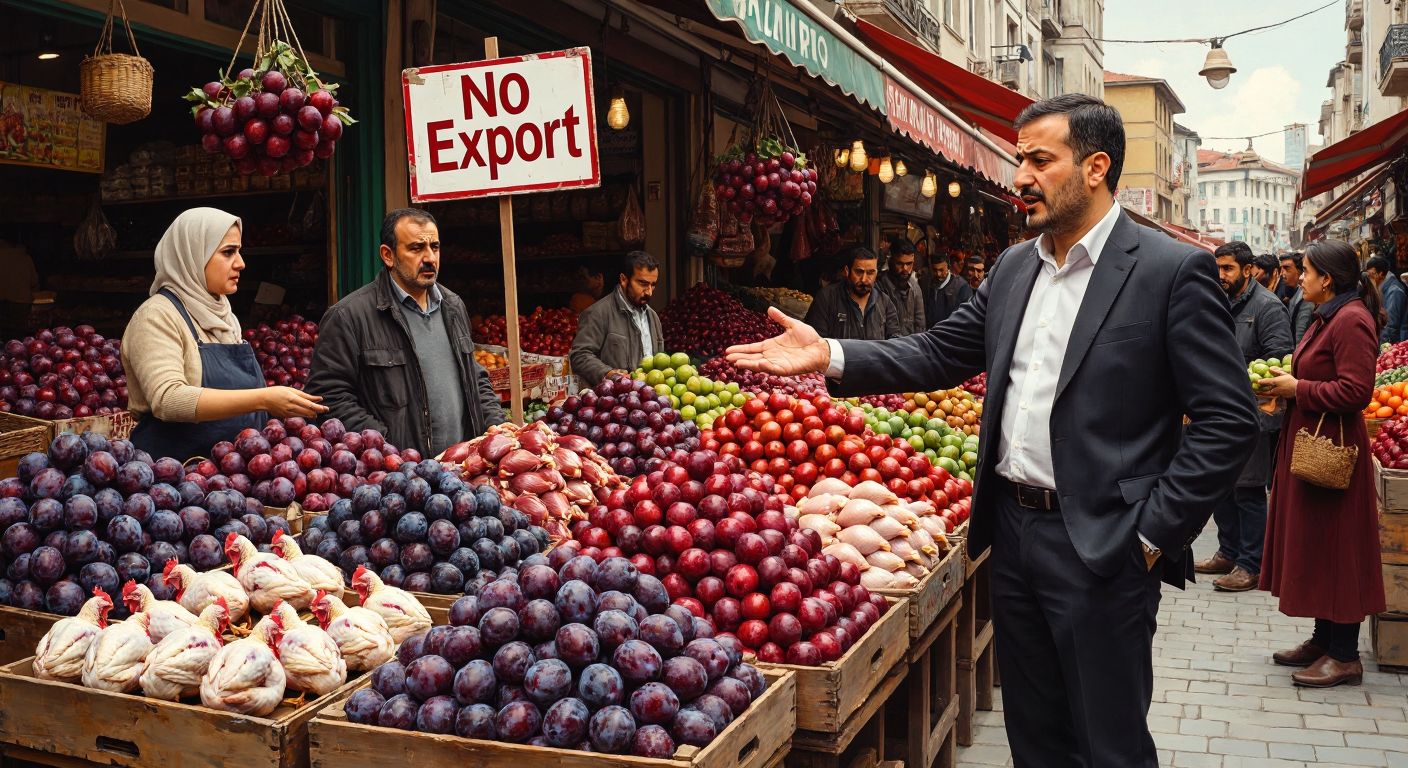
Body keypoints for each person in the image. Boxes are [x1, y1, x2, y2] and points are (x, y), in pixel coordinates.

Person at [726, 94, 1257, 767]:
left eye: (1040, 160)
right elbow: (938, 352)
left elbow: (1228, 420)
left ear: (1096, 167)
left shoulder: (1167, 270)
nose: (1021, 177)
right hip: (1013, 536)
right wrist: (830, 353)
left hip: (1104, 547)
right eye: (1018, 159)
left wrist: (1151, 536)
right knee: (1034, 739)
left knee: (1110, 745)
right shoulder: (1014, 268)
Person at [1256, 239, 1386, 687]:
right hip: (1311, 442)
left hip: (1332, 452)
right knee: (1316, 544)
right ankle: (1323, 638)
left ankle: (1345, 655)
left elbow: (1356, 391)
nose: (1300, 277)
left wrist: (1298, 390)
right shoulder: (1327, 315)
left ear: (1327, 279)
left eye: (1307, 271)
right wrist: (1286, 384)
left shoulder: (1351, 320)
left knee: (1337, 547)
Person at [123, 208, 325, 461]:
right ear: (193, 256)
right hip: (174, 477)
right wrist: (263, 398)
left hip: (231, 471)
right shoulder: (156, 316)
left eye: (239, 251)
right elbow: (168, 399)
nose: (241, 263)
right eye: (228, 252)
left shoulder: (225, 316)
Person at [305, 208, 504, 457]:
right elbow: (329, 398)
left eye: (435, 247)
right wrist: (389, 447)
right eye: (416, 248)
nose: (430, 257)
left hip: (461, 472)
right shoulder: (348, 316)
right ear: (388, 255)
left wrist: (495, 422)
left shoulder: (452, 306)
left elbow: (474, 377)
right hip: (400, 480)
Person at [1194, 241, 1293, 592]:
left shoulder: (1267, 308)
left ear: (1248, 270)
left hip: (1254, 415)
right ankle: (1228, 550)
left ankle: (1251, 564)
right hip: (1216, 412)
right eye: (1218, 268)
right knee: (1221, 486)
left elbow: (1281, 360)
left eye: (1228, 268)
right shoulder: (1217, 301)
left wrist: (1247, 380)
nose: (1221, 275)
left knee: (1248, 490)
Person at [569, 251, 663, 385]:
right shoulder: (598, 313)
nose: (649, 291)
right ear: (624, 279)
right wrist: (608, 373)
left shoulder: (653, 318)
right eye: (643, 283)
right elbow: (580, 356)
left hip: (647, 401)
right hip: (613, 401)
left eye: (653, 284)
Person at [802, 246, 900, 341]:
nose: (864, 279)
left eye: (870, 273)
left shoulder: (884, 302)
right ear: (847, 271)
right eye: (859, 272)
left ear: (876, 273)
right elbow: (815, 341)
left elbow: (894, 341)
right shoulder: (827, 298)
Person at [876, 239, 925, 335]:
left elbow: (920, 325)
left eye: (909, 264)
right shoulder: (879, 287)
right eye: (899, 264)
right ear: (890, 261)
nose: (905, 269)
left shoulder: (915, 287)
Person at [922, 250, 973, 327]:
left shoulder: (962, 287)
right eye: (935, 270)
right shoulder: (927, 284)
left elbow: (965, 319)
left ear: (948, 267)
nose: (938, 274)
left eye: (941, 270)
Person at [1366, 256, 1407, 344]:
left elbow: (1391, 325)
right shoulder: (1381, 286)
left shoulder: (1394, 291)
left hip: (1397, 342)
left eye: (1372, 274)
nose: (1370, 278)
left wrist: (1382, 346)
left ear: (1381, 273)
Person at [1283, 252, 1314, 344]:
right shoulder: (1294, 293)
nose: (1282, 274)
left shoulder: (1306, 298)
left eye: (1287, 268)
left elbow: (1300, 337)